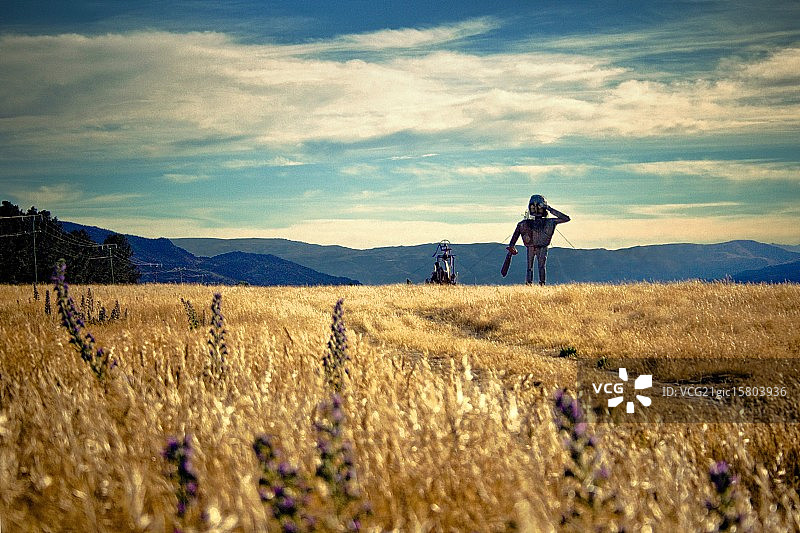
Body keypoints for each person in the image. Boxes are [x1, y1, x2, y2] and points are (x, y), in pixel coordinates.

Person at [506, 195, 570, 285]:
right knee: (534, 266)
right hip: (533, 246)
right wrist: (511, 246)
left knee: (538, 266)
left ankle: (539, 283)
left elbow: (566, 218)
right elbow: (514, 237)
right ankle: (533, 283)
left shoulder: (547, 222)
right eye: (533, 207)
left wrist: (549, 208)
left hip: (540, 246)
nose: (536, 209)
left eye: (538, 207)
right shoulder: (525, 224)